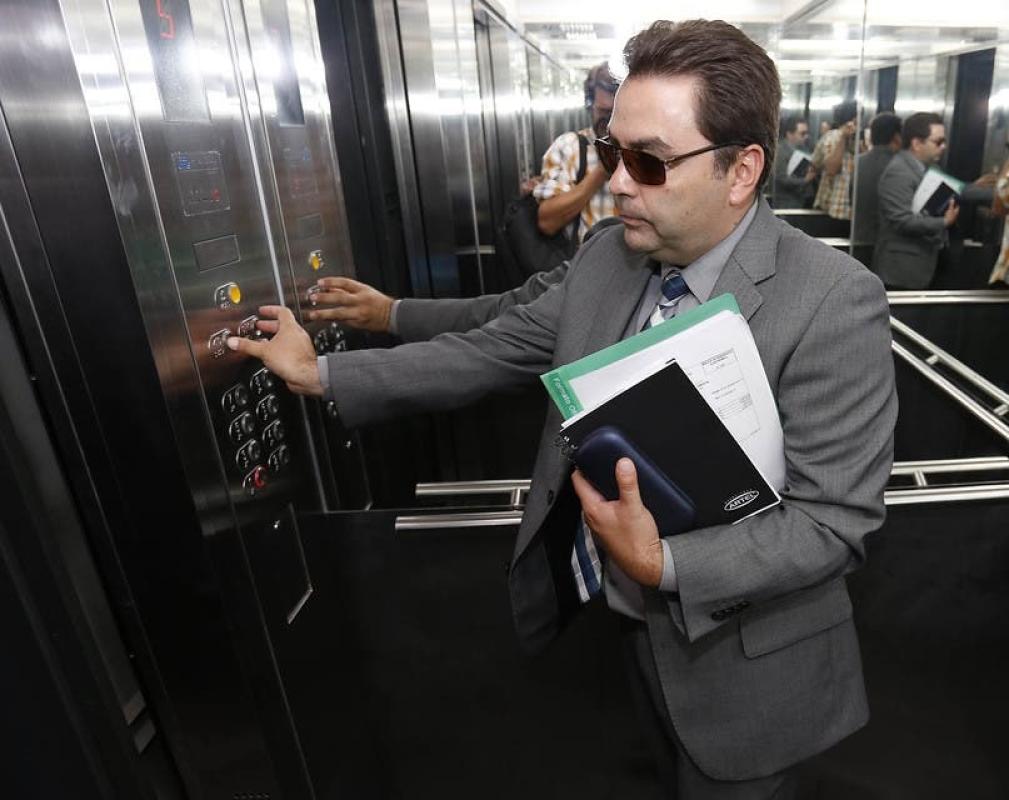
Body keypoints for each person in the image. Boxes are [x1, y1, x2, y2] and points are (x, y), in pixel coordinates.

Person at [230, 19, 897, 798]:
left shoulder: (832, 301)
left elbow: (831, 523)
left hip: (744, 669)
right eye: (613, 152)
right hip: (611, 631)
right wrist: (321, 375)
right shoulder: (609, 256)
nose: (618, 185)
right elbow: (493, 344)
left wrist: (663, 565)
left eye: (648, 162)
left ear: (740, 170)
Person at [306, 218, 623, 341]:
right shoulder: (609, 249)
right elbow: (506, 311)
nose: (619, 183)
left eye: (642, 160)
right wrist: (390, 313)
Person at [534, 62, 620, 243]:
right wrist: (601, 171)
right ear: (590, 106)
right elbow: (547, 222)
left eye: (617, 112)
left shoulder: (649, 147)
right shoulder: (569, 147)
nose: (610, 123)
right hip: (584, 257)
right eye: (604, 111)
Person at [873, 112, 959, 288]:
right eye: (938, 142)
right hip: (901, 270)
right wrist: (944, 222)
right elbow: (902, 220)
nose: (943, 147)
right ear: (917, 144)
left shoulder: (927, 169)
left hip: (923, 263)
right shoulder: (899, 172)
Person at [852, 112, 902, 267]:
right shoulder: (898, 166)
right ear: (897, 137)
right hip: (887, 246)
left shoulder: (859, 161)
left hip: (859, 237)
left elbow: (851, 197)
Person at [811, 100, 858, 221]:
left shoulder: (861, 139)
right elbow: (831, 169)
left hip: (846, 208)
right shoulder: (833, 137)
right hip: (835, 207)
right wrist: (843, 138)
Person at [772, 116, 815, 209]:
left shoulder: (804, 149)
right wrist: (805, 180)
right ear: (789, 134)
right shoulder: (781, 151)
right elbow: (781, 178)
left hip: (801, 200)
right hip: (786, 203)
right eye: (802, 133)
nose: (806, 137)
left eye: (807, 133)